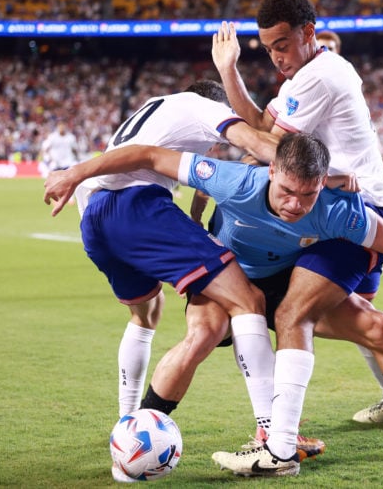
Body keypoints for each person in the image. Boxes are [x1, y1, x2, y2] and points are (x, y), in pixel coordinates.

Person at [44, 133, 383, 478]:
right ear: (271, 171)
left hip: (283, 284)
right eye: (287, 191)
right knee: (201, 336)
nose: (294, 204)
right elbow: (148, 154)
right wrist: (76, 173)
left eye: (307, 195)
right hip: (228, 277)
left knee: (376, 326)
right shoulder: (235, 180)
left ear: (321, 186)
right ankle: (135, 433)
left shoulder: (337, 209)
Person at [45, 80, 285, 483]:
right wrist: (323, 170)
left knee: (147, 314)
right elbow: (256, 143)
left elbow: (164, 171)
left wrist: (189, 221)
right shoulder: (202, 107)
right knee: (248, 301)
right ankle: (272, 435)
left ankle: (126, 425)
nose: (215, 147)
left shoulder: (154, 109)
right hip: (138, 209)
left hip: (96, 216)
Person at [211, 0, 383, 428]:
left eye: (281, 46)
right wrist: (228, 71)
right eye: (267, 50)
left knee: (291, 312)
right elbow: (263, 131)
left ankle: (277, 436)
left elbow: (270, 148)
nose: (275, 58)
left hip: (359, 211)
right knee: (360, 315)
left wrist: (249, 151)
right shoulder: (299, 80)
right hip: (353, 205)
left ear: (309, 33)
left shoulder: (318, 77)